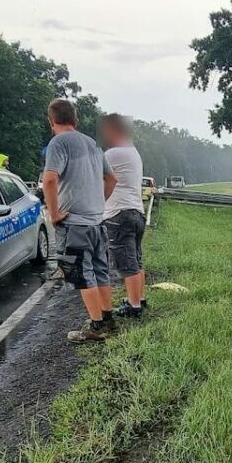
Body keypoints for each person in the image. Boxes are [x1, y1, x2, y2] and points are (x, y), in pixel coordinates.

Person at [41, 98, 118, 342]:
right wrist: (98, 203)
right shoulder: (93, 144)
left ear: (51, 121)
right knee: (100, 270)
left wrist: (53, 214)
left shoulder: (58, 143)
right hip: (97, 222)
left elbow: (50, 180)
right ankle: (108, 318)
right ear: (75, 119)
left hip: (74, 224)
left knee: (83, 275)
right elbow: (111, 180)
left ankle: (95, 327)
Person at [99, 114, 147, 318]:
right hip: (136, 211)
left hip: (119, 213)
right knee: (136, 259)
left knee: (127, 264)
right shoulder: (132, 151)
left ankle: (133, 306)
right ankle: (139, 298)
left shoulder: (112, 155)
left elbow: (97, 176)